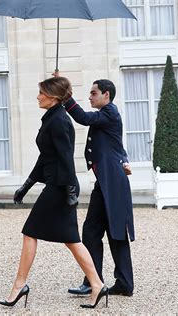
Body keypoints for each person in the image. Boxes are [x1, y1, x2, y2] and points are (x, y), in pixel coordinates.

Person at [0, 77, 108, 309]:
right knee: (71, 240)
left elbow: (65, 157)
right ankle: (97, 284)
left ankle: (20, 285)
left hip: (60, 187)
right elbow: (45, 157)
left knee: (30, 232)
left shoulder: (58, 120)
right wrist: (26, 185)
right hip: (60, 184)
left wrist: (69, 189)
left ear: (53, 97)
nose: (38, 96)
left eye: (41, 93)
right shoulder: (52, 118)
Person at [62, 78, 135, 297]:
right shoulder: (108, 114)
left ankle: (101, 282)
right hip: (106, 183)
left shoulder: (109, 112)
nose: (90, 96)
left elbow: (83, 118)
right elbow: (117, 145)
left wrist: (65, 95)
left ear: (106, 95)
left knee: (104, 232)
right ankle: (106, 282)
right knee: (97, 232)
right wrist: (124, 159)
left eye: (94, 93)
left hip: (112, 184)